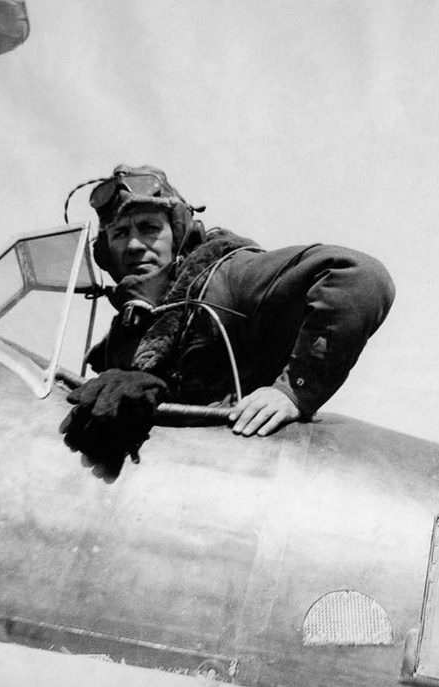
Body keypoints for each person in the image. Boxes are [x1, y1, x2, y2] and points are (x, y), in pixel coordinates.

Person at [60, 164, 395, 471]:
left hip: (245, 477)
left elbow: (359, 277)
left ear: (178, 235)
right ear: (105, 250)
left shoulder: (227, 277)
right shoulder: (126, 337)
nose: (133, 245)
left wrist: (294, 391)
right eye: (119, 233)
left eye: (149, 228)